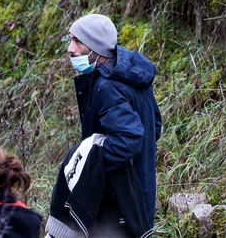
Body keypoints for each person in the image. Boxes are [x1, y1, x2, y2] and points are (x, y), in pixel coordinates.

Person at [45, 14, 162, 238]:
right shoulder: (133, 78)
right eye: (70, 40)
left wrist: (91, 165)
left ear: (95, 47)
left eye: (78, 41)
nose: (70, 49)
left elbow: (128, 139)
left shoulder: (107, 87)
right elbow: (154, 127)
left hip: (117, 205)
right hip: (139, 194)